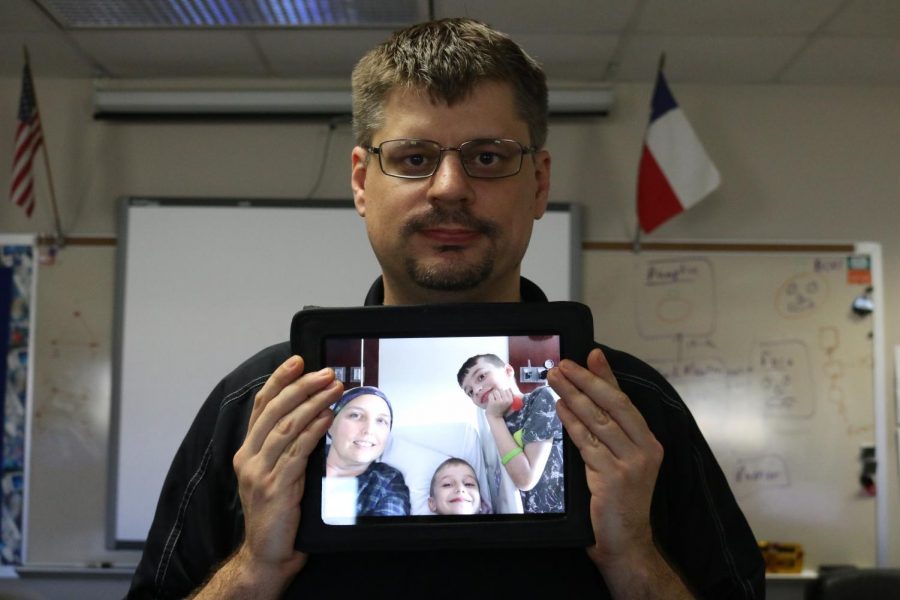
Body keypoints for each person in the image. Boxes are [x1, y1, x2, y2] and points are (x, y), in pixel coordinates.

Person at [128, 17, 765, 599]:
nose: (451, 188)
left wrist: (634, 559)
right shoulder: (261, 406)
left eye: (488, 158)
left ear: (539, 183)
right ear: (360, 181)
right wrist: (253, 570)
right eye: (413, 159)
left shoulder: (633, 408)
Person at [458, 353, 563, 513]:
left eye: (481, 377)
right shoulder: (491, 432)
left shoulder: (541, 398)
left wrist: (493, 417)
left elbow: (526, 479)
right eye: (470, 392)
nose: (477, 390)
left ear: (508, 371)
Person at [324, 386, 409, 518]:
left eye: (381, 421)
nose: (369, 430)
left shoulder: (388, 482)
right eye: (356, 415)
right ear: (330, 425)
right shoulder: (303, 460)